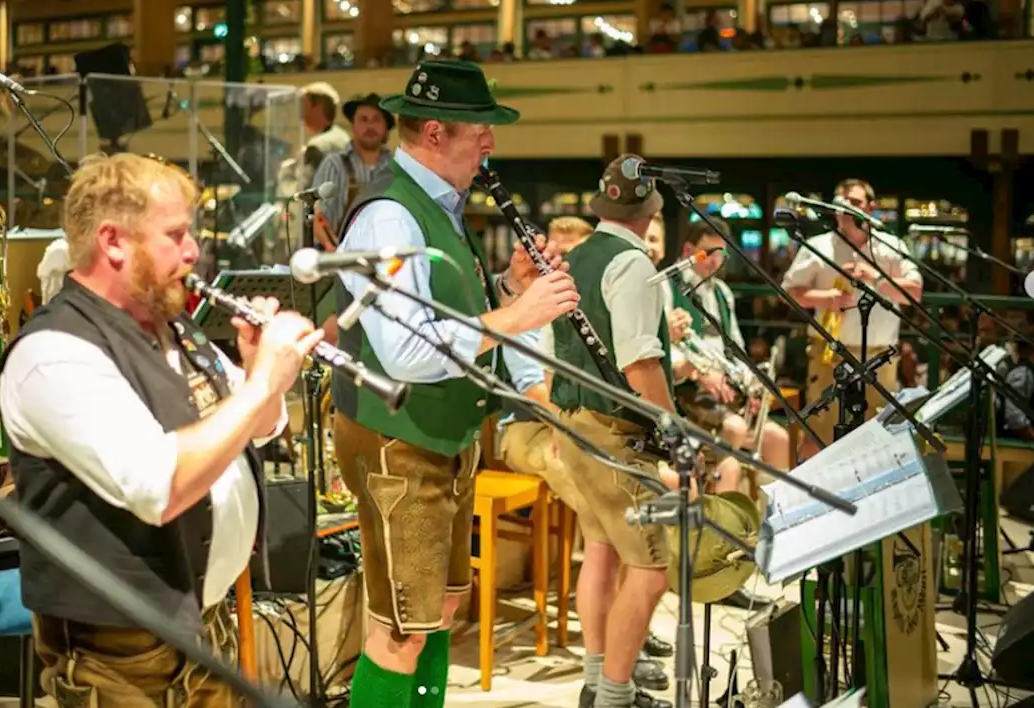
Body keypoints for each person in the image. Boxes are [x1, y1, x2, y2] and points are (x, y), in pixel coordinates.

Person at [0, 153, 323, 705]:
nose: (193, 250)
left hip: (201, 624)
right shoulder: (53, 354)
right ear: (114, 242)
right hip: (121, 654)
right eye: (175, 234)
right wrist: (262, 381)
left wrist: (252, 371)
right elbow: (159, 486)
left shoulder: (175, 327)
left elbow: (261, 429)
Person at [331, 59, 580, 708]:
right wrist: (515, 317)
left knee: (438, 610)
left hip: (441, 438)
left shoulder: (439, 207)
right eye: (481, 129)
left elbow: (448, 321)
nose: (492, 142)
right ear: (436, 133)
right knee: (400, 630)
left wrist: (507, 290)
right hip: (397, 442)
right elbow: (407, 351)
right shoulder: (389, 215)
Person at [544, 155, 676, 708]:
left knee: (598, 551)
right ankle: (616, 697)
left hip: (572, 426)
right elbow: (640, 362)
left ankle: (596, 682)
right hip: (614, 435)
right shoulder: (634, 264)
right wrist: (675, 426)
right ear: (649, 212)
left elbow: (556, 351)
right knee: (650, 573)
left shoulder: (576, 258)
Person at [782, 179, 922, 459]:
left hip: (880, 358)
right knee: (819, 433)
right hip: (829, 355)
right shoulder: (818, 245)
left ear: (870, 208)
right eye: (841, 203)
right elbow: (789, 291)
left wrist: (876, 279)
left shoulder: (889, 246)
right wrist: (826, 299)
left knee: (879, 435)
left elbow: (915, 292)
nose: (847, 209)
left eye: (855, 203)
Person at [662, 221, 792, 477]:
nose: (716, 261)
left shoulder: (722, 292)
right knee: (735, 428)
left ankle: (769, 512)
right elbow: (666, 347)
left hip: (725, 390)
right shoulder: (666, 285)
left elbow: (735, 347)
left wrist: (750, 382)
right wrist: (699, 372)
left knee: (780, 440)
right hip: (688, 390)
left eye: (721, 253)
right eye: (709, 253)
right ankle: (716, 496)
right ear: (688, 250)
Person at [312, 92, 394, 249]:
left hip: (386, 259)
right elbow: (318, 217)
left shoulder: (396, 167)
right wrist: (334, 253)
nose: (370, 126)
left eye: (376, 120)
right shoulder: (335, 164)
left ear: (386, 128)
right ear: (353, 126)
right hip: (338, 259)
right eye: (363, 120)